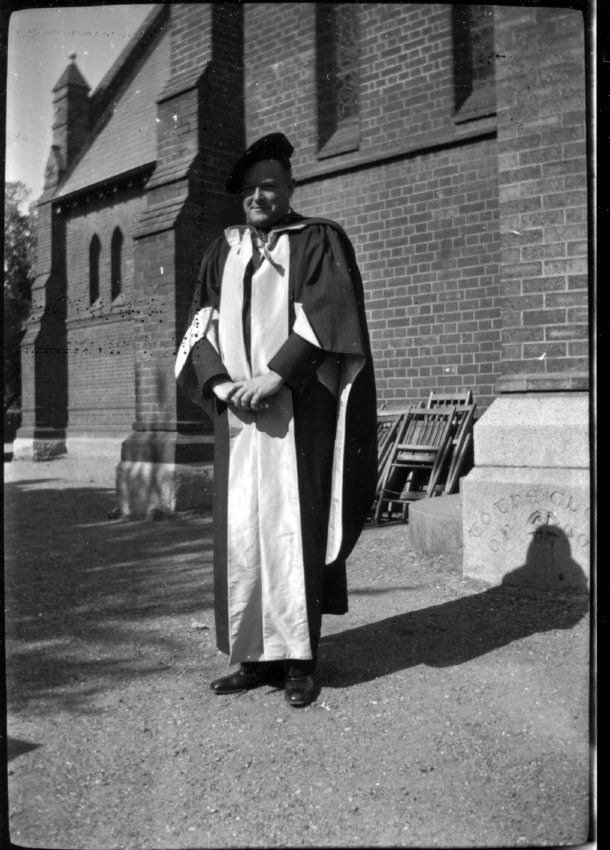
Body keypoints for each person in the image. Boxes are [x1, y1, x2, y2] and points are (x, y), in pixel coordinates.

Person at [175, 132, 377, 707]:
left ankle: (299, 661)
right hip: (238, 421)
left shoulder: (316, 242)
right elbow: (199, 327)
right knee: (244, 529)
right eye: (249, 190)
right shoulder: (224, 251)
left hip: (295, 415)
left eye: (270, 186)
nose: (258, 197)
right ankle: (256, 658)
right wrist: (218, 383)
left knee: (294, 528)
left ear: (290, 188)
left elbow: (329, 314)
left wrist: (276, 375)